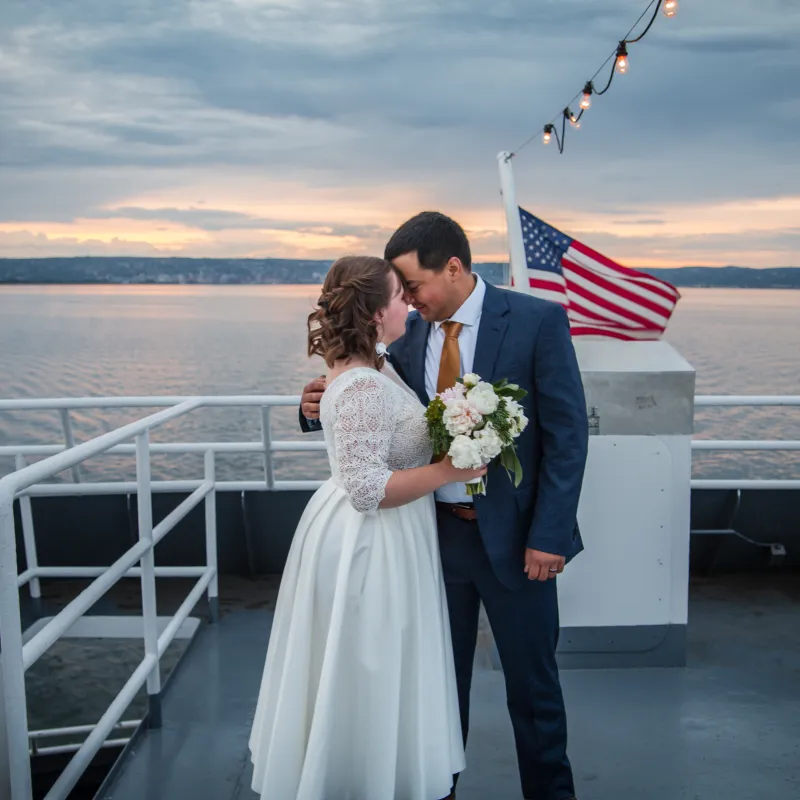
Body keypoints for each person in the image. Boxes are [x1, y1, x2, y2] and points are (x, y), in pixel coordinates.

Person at [300, 213, 589, 800]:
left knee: (534, 693)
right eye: (399, 292)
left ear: (452, 268)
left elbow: (567, 435)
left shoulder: (537, 321)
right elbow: (368, 403)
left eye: (413, 286)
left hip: (519, 541)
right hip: (430, 541)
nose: (406, 300)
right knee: (434, 691)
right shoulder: (406, 335)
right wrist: (313, 408)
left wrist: (551, 534)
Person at [249, 254, 486, 800]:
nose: (410, 304)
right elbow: (366, 487)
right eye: (401, 296)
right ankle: (357, 777)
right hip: (369, 541)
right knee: (368, 662)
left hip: (394, 535)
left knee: (379, 663)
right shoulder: (361, 383)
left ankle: (382, 770)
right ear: (378, 313)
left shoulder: (379, 365)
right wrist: (452, 470)